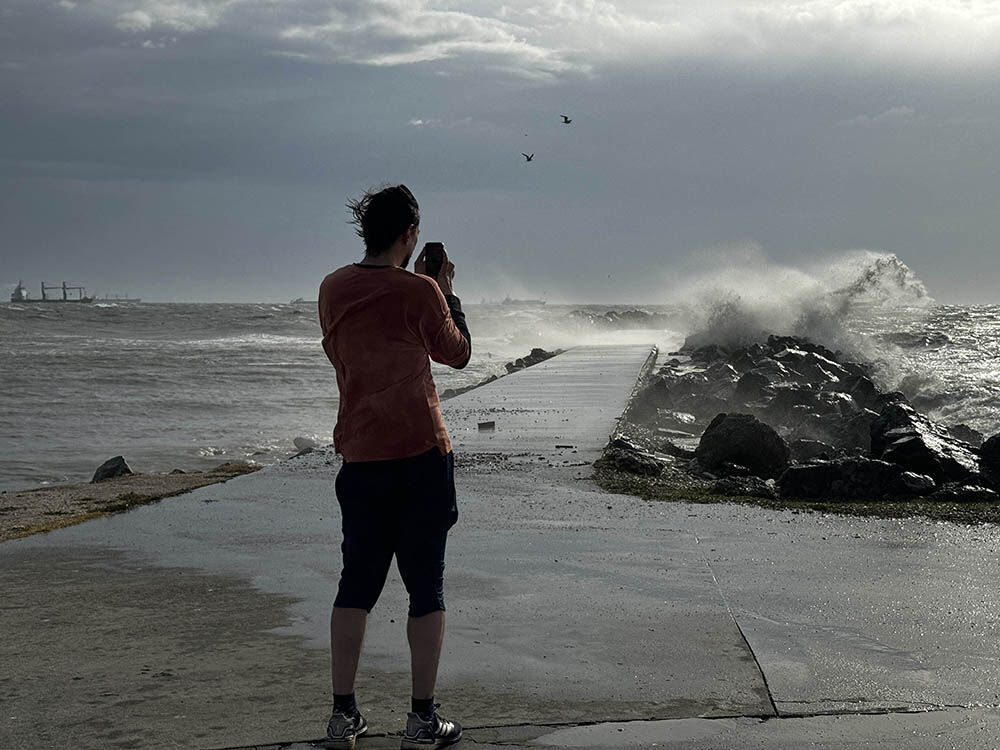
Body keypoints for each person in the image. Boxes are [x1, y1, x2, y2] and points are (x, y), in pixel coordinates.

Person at [317, 184, 471, 749]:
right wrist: (446, 289)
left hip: (360, 455)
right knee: (424, 587)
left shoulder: (332, 289)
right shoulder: (421, 291)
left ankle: (342, 716)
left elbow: (340, 353)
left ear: (367, 231)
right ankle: (422, 719)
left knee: (355, 584)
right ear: (409, 236)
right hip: (420, 455)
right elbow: (457, 353)